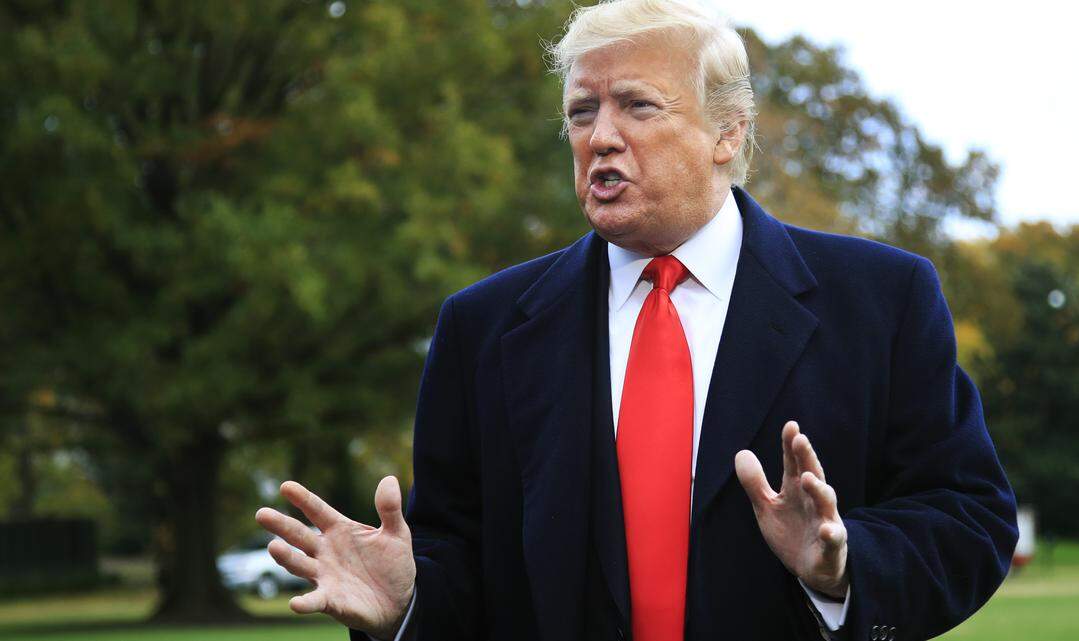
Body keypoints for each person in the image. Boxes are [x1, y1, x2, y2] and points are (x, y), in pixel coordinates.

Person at [254, 1, 1018, 639]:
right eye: (582, 112)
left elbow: (970, 519)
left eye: (637, 105)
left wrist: (844, 565)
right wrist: (407, 604)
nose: (601, 137)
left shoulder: (882, 299)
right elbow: (465, 563)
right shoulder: (481, 326)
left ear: (728, 132)